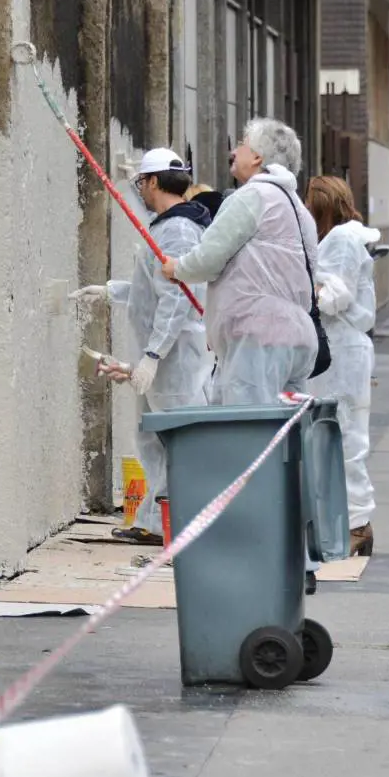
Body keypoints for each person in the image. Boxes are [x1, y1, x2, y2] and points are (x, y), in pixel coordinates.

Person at [77, 148, 212, 544]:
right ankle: (157, 522)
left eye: (142, 183)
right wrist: (110, 291)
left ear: (154, 182)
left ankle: (181, 523)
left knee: (177, 441)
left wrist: (153, 355)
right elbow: (149, 290)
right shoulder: (169, 225)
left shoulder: (179, 230)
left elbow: (177, 298)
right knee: (152, 439)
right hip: (164, 356)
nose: (141, 190)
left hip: (175, 358)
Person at [161, 118, 318, 406]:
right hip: (298, 337)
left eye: (242, 145)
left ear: (257, 157)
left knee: (248, 426)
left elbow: (208, 258)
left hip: (255, 337)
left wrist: (177, 268)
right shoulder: (298, 210)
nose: (233, 152)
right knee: (286, 428)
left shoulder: (253, 196)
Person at [304, 176, 379, 557]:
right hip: (341, 350)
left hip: (343, 350)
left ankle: (357, 524)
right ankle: (347, 523)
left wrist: (306, 291)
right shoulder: (343, 238)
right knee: (337, 437)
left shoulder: (341, 239)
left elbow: (336, 296)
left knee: (346, 438)